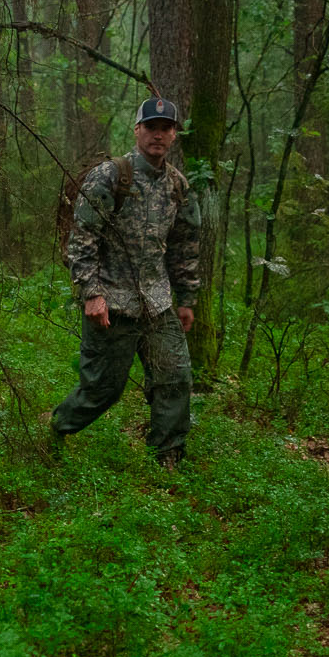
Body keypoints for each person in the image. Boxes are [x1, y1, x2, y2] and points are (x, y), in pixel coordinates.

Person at [50, 96, 202, 467]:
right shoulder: (110, 175)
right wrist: (91, 293)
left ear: (174, 136)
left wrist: (186, 298)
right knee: (103, 389)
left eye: (166, 129)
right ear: (137, 130)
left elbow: (185, 245)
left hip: (157, 301)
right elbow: (82, 237)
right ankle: (56, 429)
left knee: (175, 378)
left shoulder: (178, 186)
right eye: (151, 127)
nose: (158, 135)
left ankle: (167, 456)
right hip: (112, 301)